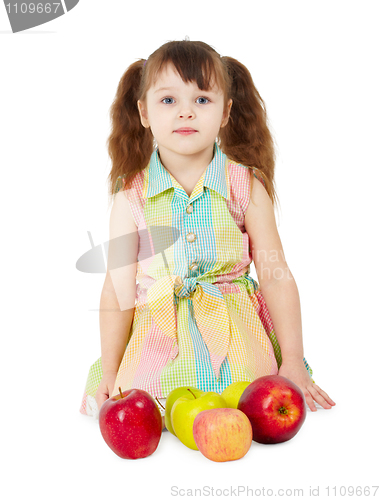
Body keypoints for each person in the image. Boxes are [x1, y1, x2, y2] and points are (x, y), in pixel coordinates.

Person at [79, 40, 335, 423]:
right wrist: (113, 372)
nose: (185, 112)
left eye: (202, 100)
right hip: (158, 338)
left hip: (236, 337)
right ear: (144, 112)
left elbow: (275, 275)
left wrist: (293, 361)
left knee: (248, 405)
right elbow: (118, 289)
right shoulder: (131, 195)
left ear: (226, 112)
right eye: (168, 101)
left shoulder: (245, 186)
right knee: (147, 410)